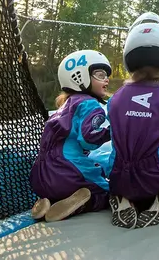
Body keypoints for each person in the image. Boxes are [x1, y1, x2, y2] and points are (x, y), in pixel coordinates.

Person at [105, 12, 159, 229]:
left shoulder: (114, 100)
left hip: (119, 174)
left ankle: (121, 195)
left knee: (116, 162)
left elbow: (114, 140)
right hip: (158, 176)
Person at [29, 49, 113, 222]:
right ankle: (84, 204)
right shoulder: (90, 104)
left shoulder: (64, 106)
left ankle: (47, 201)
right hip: (68, 171)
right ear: (79, 76)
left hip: (41, 176)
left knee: (87, 166)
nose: (107, 79)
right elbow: (89, 139)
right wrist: (112, 131)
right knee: (109, 190)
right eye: (99, 73)